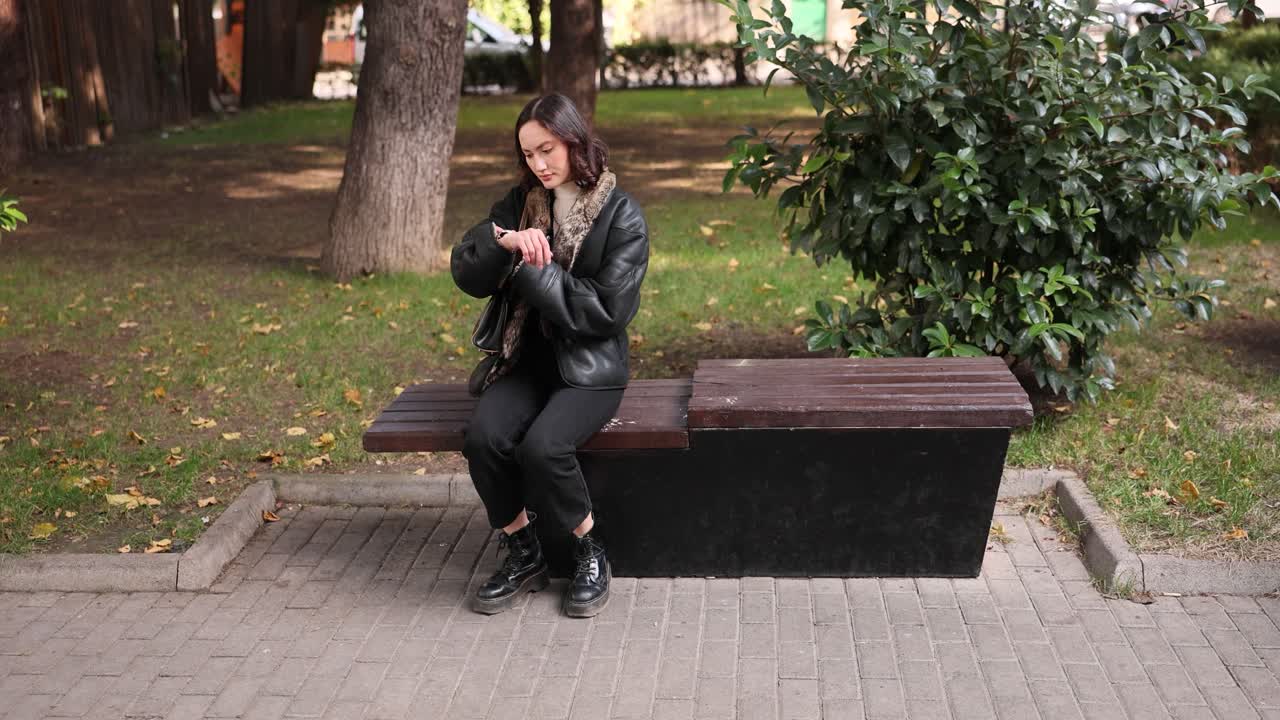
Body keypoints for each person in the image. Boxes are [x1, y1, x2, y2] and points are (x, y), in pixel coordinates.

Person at [450, 93, 649, 618]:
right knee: (483, 439)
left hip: (590, 369)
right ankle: (524, 551)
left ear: (574, 141)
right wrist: (503, 245)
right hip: (526, 359)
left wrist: (535, 272)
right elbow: (467, 272)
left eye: (548, 149)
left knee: (543, 448)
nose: (538, 164)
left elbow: (606, 312)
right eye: (528, 154)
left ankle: (589, 549)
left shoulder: (622, 215)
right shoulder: (518, 203)